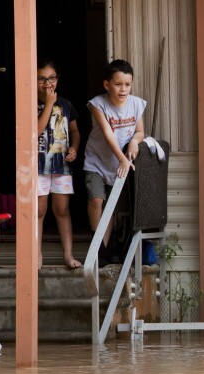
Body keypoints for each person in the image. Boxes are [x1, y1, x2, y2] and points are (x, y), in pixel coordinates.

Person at [82, 59, 146, 264]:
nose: (123, 89)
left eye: (127, 84)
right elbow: (108, 133)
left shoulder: (137, 104)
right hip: (97, 161)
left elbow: (140, 131)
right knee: (96, 200)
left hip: (119, 165)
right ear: (106, 84)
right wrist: (122, 159)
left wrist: (135, 142)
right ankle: (97, 245)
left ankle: (104, 250)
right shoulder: (97, 104)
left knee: (110, 208)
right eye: (118, 84)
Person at [36, 59, 81, 269]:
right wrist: (48, 105)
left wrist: (75, 148)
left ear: (58, 79)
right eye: (41, 79)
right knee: (39, 210)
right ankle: (36, 255)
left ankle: (68, 255)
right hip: (37, 166)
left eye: (51, 78)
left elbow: (74, 132)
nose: (47, 84)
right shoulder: (30, 103)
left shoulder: (67, 105)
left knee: (62, 209)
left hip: (61, 166)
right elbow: (36, 131)